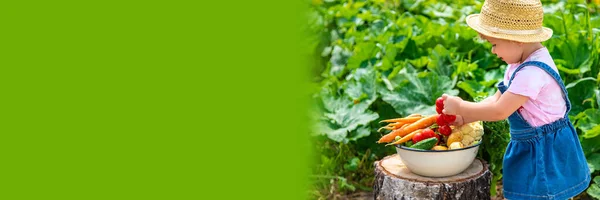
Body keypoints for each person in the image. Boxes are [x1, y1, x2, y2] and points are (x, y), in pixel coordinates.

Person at [440, 0, 591, 199]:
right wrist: (465, 116)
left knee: (544, 194)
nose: (493, 51)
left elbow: (500, 111)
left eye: (495, 44)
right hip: (529, 144)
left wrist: (461, 105)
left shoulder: (533, 72)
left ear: (516, 39)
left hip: (544, 152)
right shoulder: (519, 62)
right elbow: (496, 99)